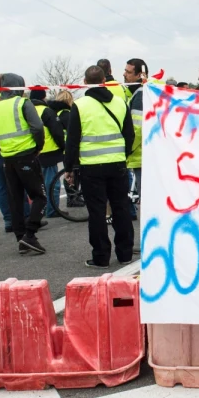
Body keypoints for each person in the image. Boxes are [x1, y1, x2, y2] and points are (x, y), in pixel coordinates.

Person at [65, 65, 135, 268]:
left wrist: (69, 167)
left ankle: (101, 257)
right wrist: (123, 153)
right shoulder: (121, 103)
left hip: (91, 167)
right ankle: (125, 254)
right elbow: (129, 134)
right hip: (117, 164)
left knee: (96, 213)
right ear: (105, 80)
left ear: (85, 82)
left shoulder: (80, 105)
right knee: (121, 208)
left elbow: (73, 140)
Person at [0, 73, 47, 255]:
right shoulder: (22, 103)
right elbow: (37, 127)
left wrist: (2, 148)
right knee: (40, 196)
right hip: (26, 155)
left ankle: (21, 238)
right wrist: (38, 147)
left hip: (7, 159)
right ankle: (30, 234)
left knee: (15, 199)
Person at [28, 89, 67, 219]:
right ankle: (52, 209)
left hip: (32, 152)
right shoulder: (46, 111)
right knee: (52, 183)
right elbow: (57, 132)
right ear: (43, 97)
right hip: (48, 151)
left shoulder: (27, 111)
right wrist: (63, 147)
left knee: (38, 184)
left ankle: (40, 210)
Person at [124, 58, 149, 215]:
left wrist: (128, 149)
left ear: (140, 74)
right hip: (147, 155)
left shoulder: (140, 94)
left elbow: (137, 129)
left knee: (146, 200)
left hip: (141, 156)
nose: (124, 74)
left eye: (128, 72)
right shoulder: (144, 91)